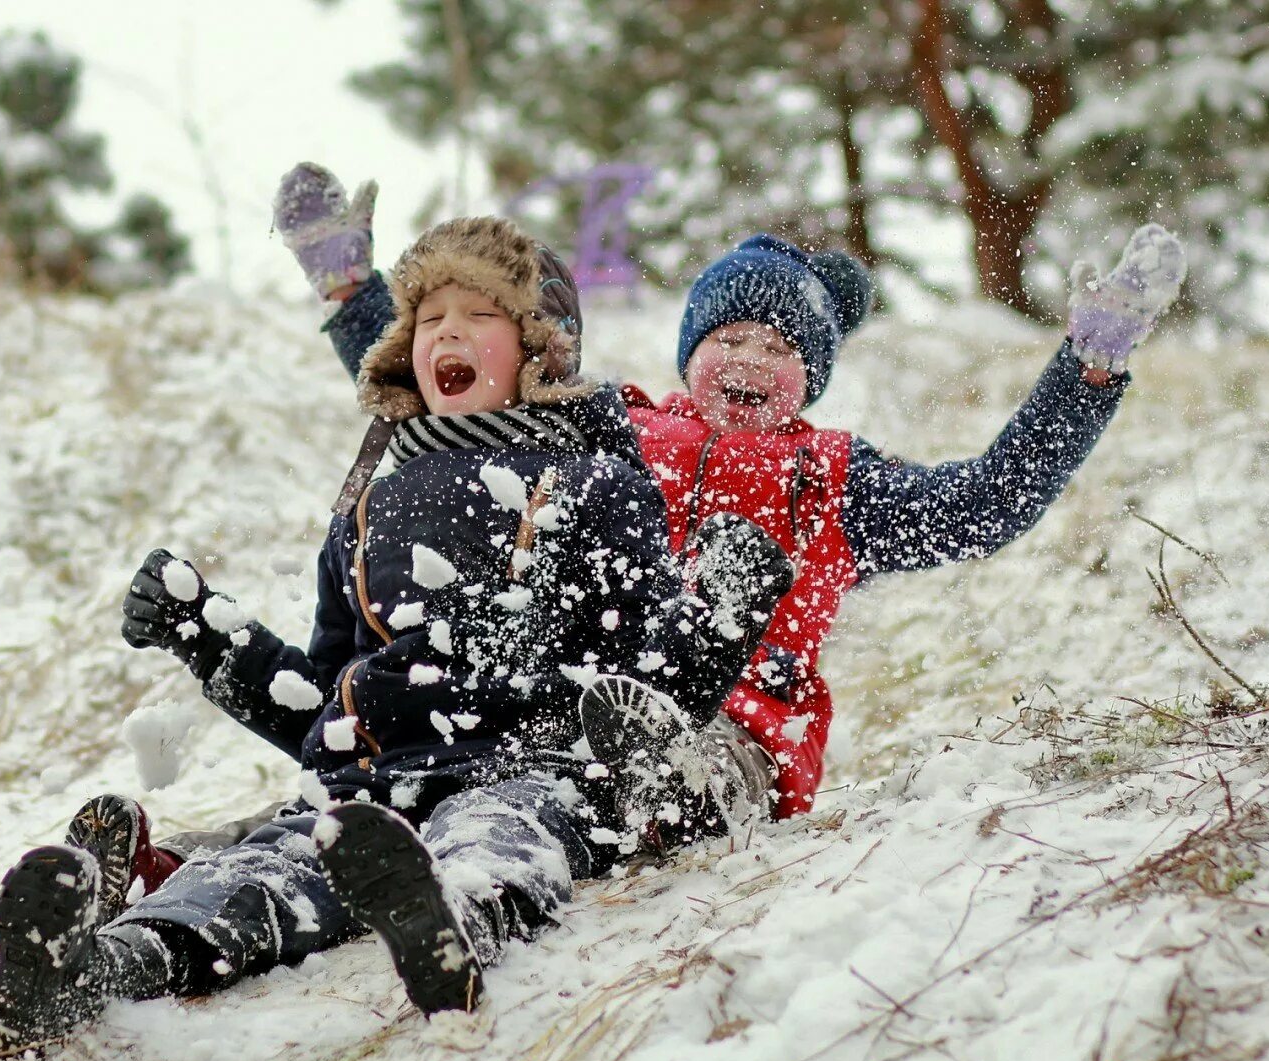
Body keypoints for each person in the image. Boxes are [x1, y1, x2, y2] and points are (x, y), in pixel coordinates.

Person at [0, 215, 791, 1059]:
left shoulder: (595, 484)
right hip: (370, 787)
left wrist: (721, 618)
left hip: (530, 768)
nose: (448, 330)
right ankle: (96, 968)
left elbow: (645, 683)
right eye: (430, 318)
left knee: (497, 835)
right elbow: (318, 702)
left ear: (540, 348)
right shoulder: (368, 508)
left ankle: (450, 927)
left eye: (481, 314)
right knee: (257, 870)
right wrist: (212, 640)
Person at [275, 162, 1187, 819]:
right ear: (690, 351)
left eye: (780, 347)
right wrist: (357, 295)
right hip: (585, 694)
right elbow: (463, 390)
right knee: (496, 744)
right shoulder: (614, 428)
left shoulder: (834, 481)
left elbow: (987, 505)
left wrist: (1088, 368)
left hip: (738, 725)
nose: (749, 359)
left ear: (811, 377)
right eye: (730, 338)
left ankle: (647, 790)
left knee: (669, 771)